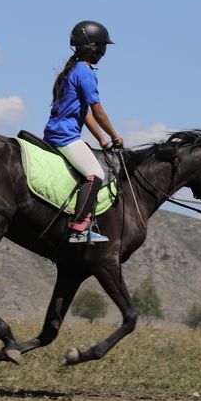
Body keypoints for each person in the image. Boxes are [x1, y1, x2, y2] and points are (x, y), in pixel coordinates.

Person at [44, 20, 124, 244]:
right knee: (96, 174)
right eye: (102, 46)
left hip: (54, 132)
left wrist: (101, 139)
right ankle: (78, 228)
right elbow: (98, 112)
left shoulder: (73, 70)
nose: (103, 51)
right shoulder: (86, 73)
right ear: (94, 48)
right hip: (66, 137)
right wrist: (115, 136)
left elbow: (85, 112)